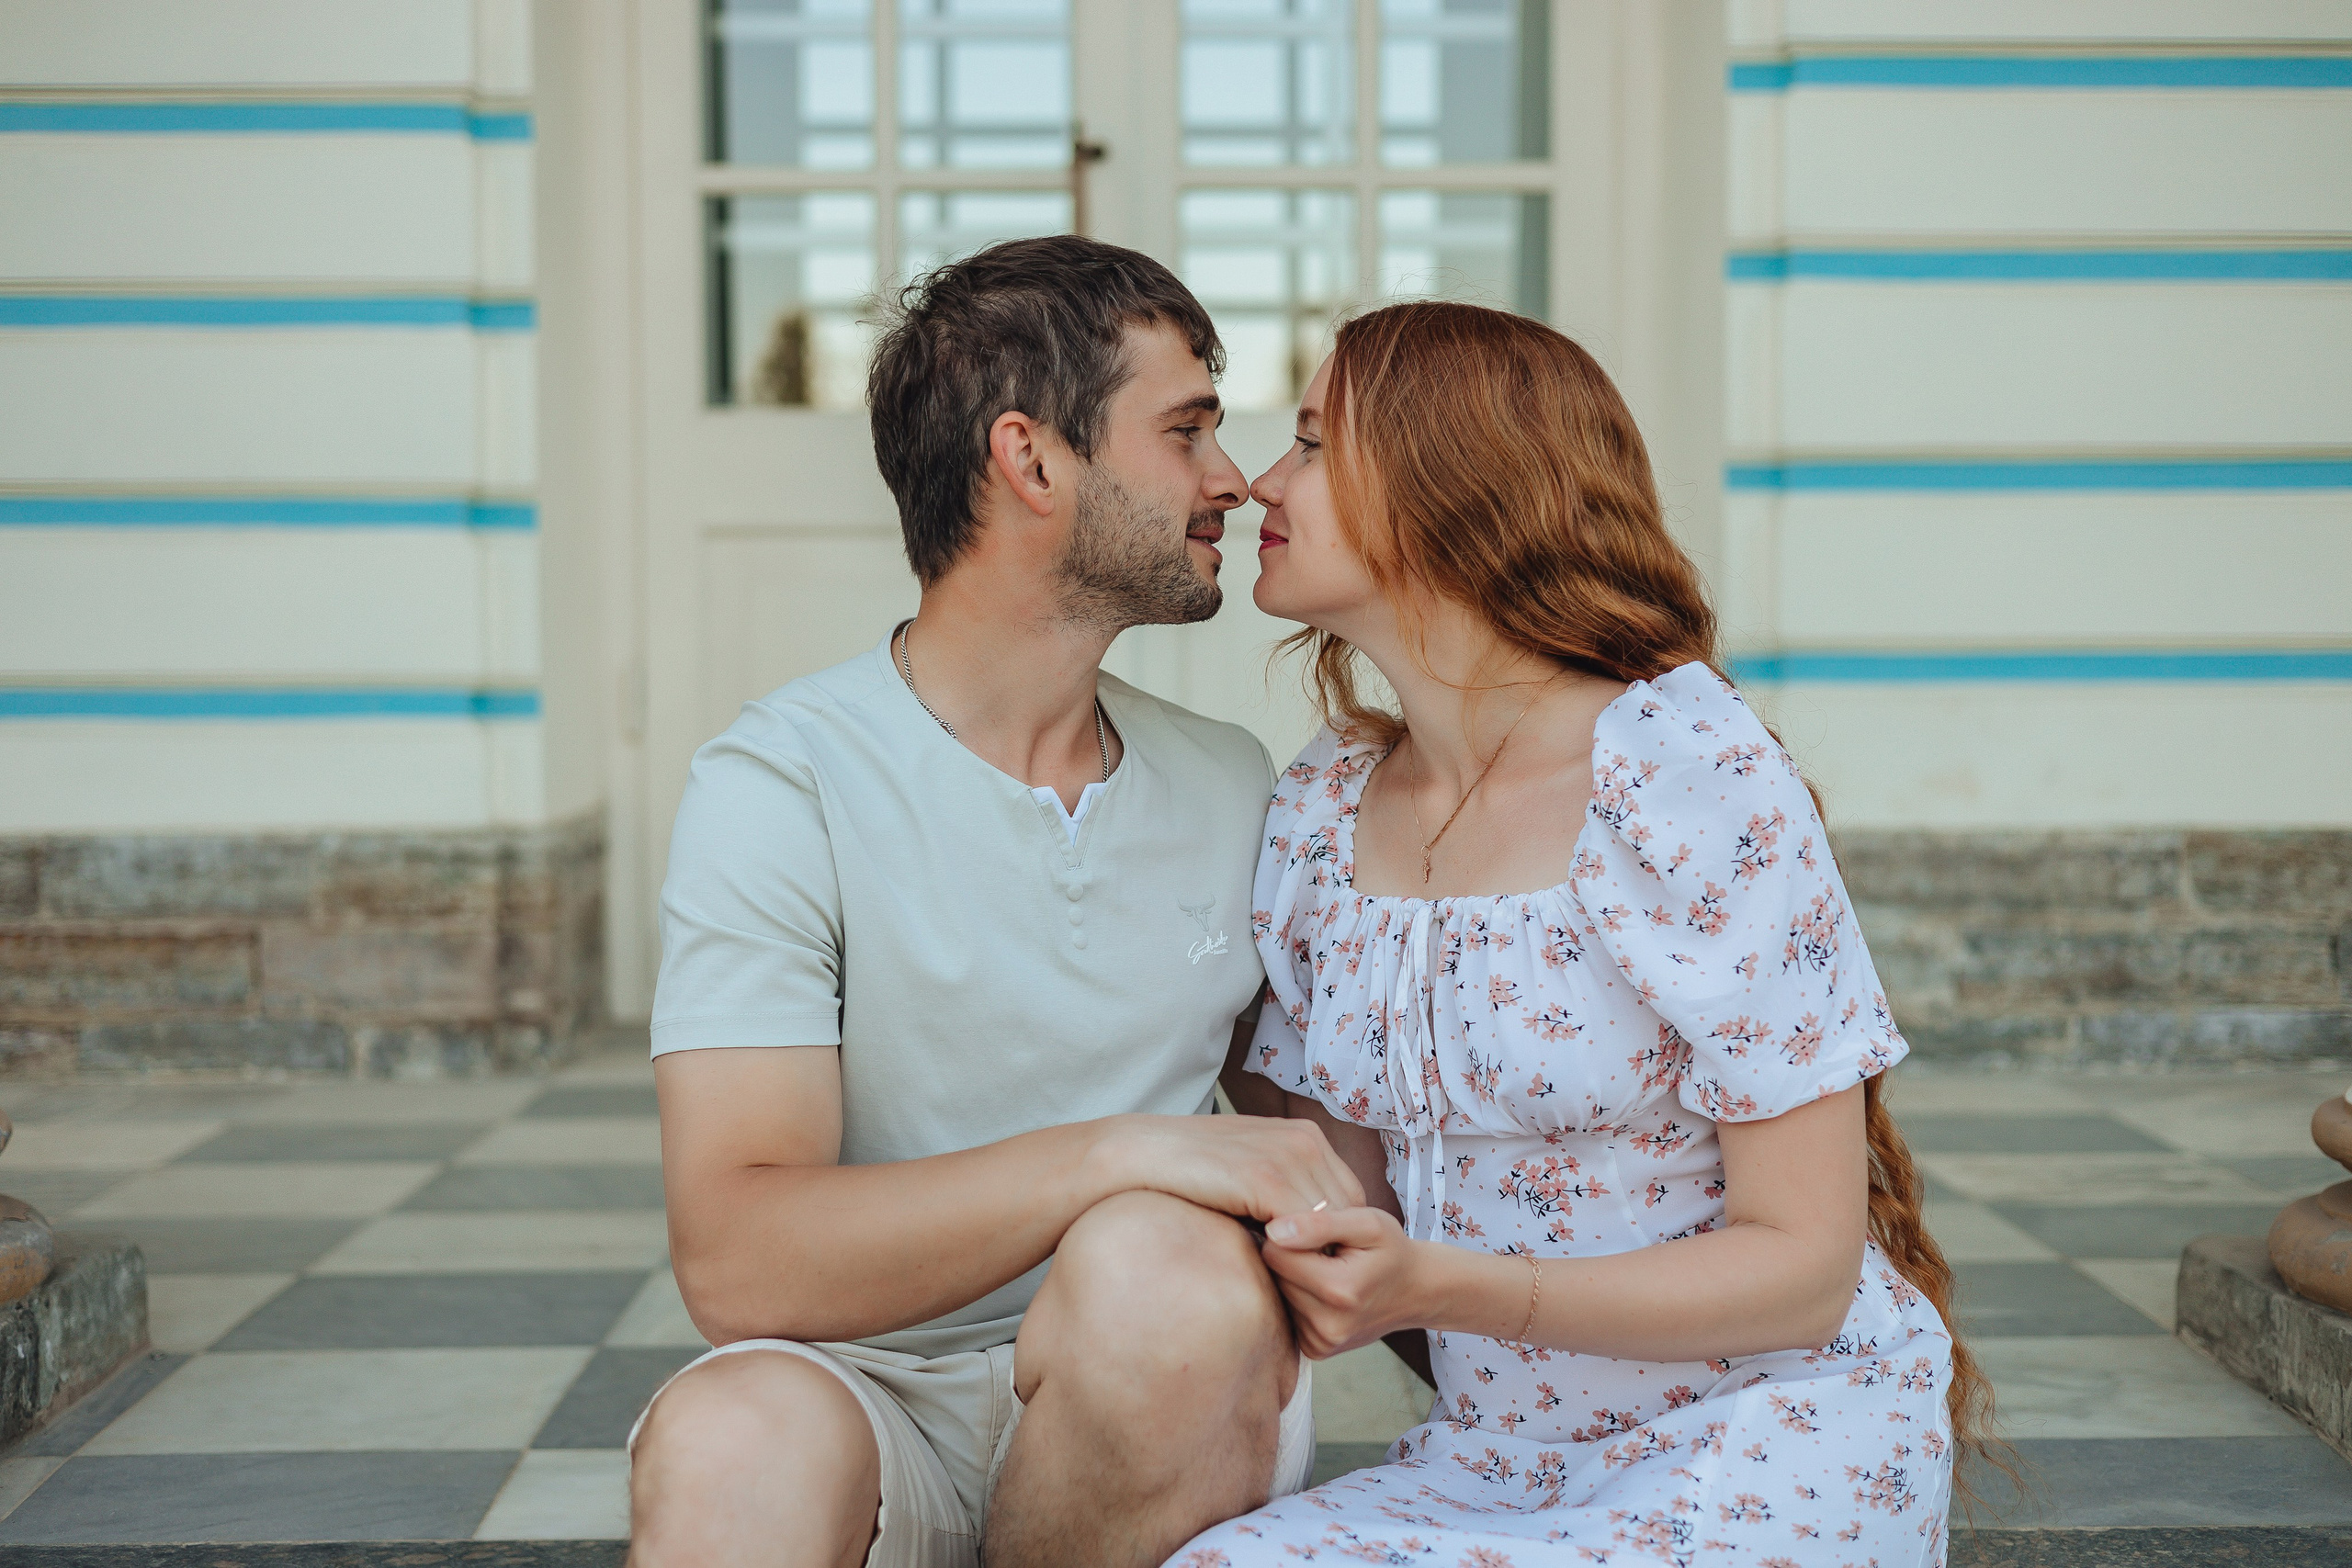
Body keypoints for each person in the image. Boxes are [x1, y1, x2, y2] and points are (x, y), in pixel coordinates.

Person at [1174, 301, 1989, 1566]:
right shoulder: (1324, 815)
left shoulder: (1681, 782)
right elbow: (1346, 1203)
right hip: (1493, 1463)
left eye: (1316, 445)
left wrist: (1444, 1290)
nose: (1260, 484)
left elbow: (1807, 1268)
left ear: (1453, 485)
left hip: (1761, 1437)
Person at [627, 236, 1363, 1568]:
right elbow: (737, 1260)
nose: (1234, 481)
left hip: (1154, 1383)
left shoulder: (1231, 787)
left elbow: (1329, 1163)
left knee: (1176, 1276)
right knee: (732, 1433)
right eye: (1188, 429)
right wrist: (1117, 1150)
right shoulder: (780, 782)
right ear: (1030, 460)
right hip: (868, 1393)